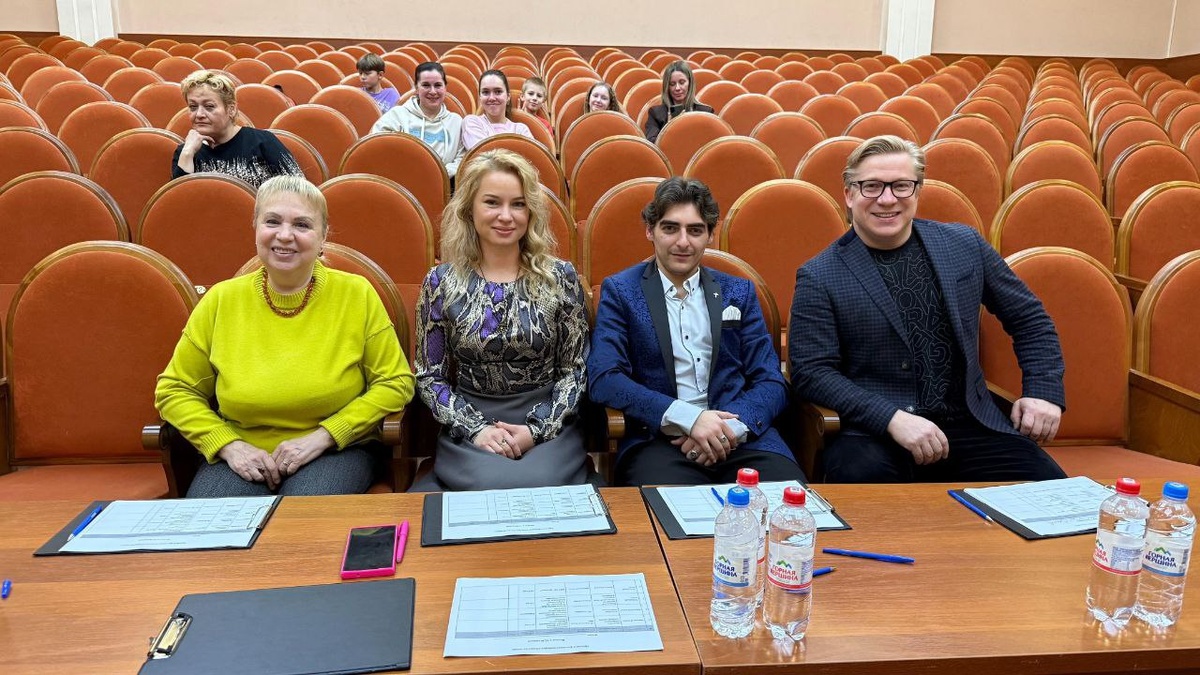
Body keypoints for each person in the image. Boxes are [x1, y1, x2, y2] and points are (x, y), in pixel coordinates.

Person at [788, 135, 1069, 483]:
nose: (887, 199)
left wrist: (1042, 391)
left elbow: (1029, 319)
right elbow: (812, 373)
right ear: (849, 194)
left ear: (918, 190)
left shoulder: (965, 245)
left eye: (901, 186)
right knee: (865, 498)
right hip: (874, 434)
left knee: (1053, 495)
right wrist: (891, 418)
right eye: (871, 186)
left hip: (969, 425)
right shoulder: (819, 275)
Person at [155, 175, 416, 497]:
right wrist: (227, 444)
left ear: (323, 237)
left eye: (302, 225)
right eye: (272, 221)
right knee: (211, 522)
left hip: (335, 450)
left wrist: (326, 435)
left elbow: (396, 383)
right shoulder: (221, 300)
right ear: (255, 228)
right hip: (241, 452)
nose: (284, 235)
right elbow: (174, 390)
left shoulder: (356, 294)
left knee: (304, 516)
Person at [588, 177, 805, 486]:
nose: (683, 242)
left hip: (741, 437)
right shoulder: (621, 291)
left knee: (788, 503)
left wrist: (724, 431)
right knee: (666, 510)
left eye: (695, 230)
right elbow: (605, 378)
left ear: (710, 235)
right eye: (670, 228)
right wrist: (690, 419)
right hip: (660, 441)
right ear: (650, 230)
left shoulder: (738, 292)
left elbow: (770, 379)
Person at [411, 149, 590, 491]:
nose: (506, 216)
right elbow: (430, 377)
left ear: (530, 212)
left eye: (518, 204)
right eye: (492, 202)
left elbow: (576, 371)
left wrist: (536, 429)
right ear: (470, 209)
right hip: (471, 424)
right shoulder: (440, 282)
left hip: (549, 424)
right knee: (486, 486)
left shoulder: (561, 278)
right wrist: (477, 429)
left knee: (541, 485)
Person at [172, 70, 302, 188]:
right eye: (193, 107)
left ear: (231, 109)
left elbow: (300, 192)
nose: (199, 114)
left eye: (209, 106)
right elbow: (179, 200)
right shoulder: (186, 151)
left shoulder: (263, 142)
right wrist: (187, 153)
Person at [371, 61, 465, 178]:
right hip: (402, 181)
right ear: (416, 88)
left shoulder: (456, 121)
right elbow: (375, 148)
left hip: (445, 183)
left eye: (438, 85)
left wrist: (440, 174)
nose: (433, 91)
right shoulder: (397, 116)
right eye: (426, 85)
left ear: (445, 87)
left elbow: (462, 158)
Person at [461, 69, 533, 151]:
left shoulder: (521, 129)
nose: (491, 98)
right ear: (480, 97)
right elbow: (482, 155)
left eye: (498, 92)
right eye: (485, 92)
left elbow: (533, 156)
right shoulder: (471, 122)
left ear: (508, 97)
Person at [644, 60, 714, 143]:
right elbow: (651, 145)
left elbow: (713, 144)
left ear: (690, 83)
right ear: (667, 87)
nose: (677, 88)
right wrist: (669, 128)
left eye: (682, 82)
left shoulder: (706, 112)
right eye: (672, 84)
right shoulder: (656, 113)